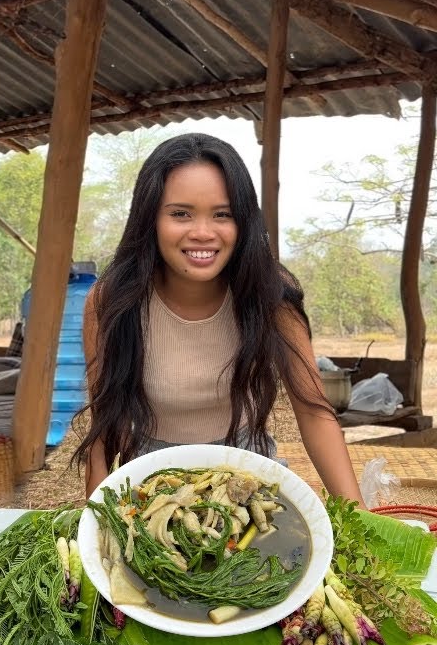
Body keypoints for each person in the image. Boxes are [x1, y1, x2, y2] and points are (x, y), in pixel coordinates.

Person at [73, 132, 365, 505]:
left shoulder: (272, 293)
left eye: (222, 215)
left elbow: (314, 413)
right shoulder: (111, 299)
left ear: (242, 222)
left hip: (247, 475)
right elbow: (106, 426)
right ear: (150, 219)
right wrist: (97, 526)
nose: (202, 233)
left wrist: (361, 521)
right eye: (181, 214)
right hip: (150, 479)